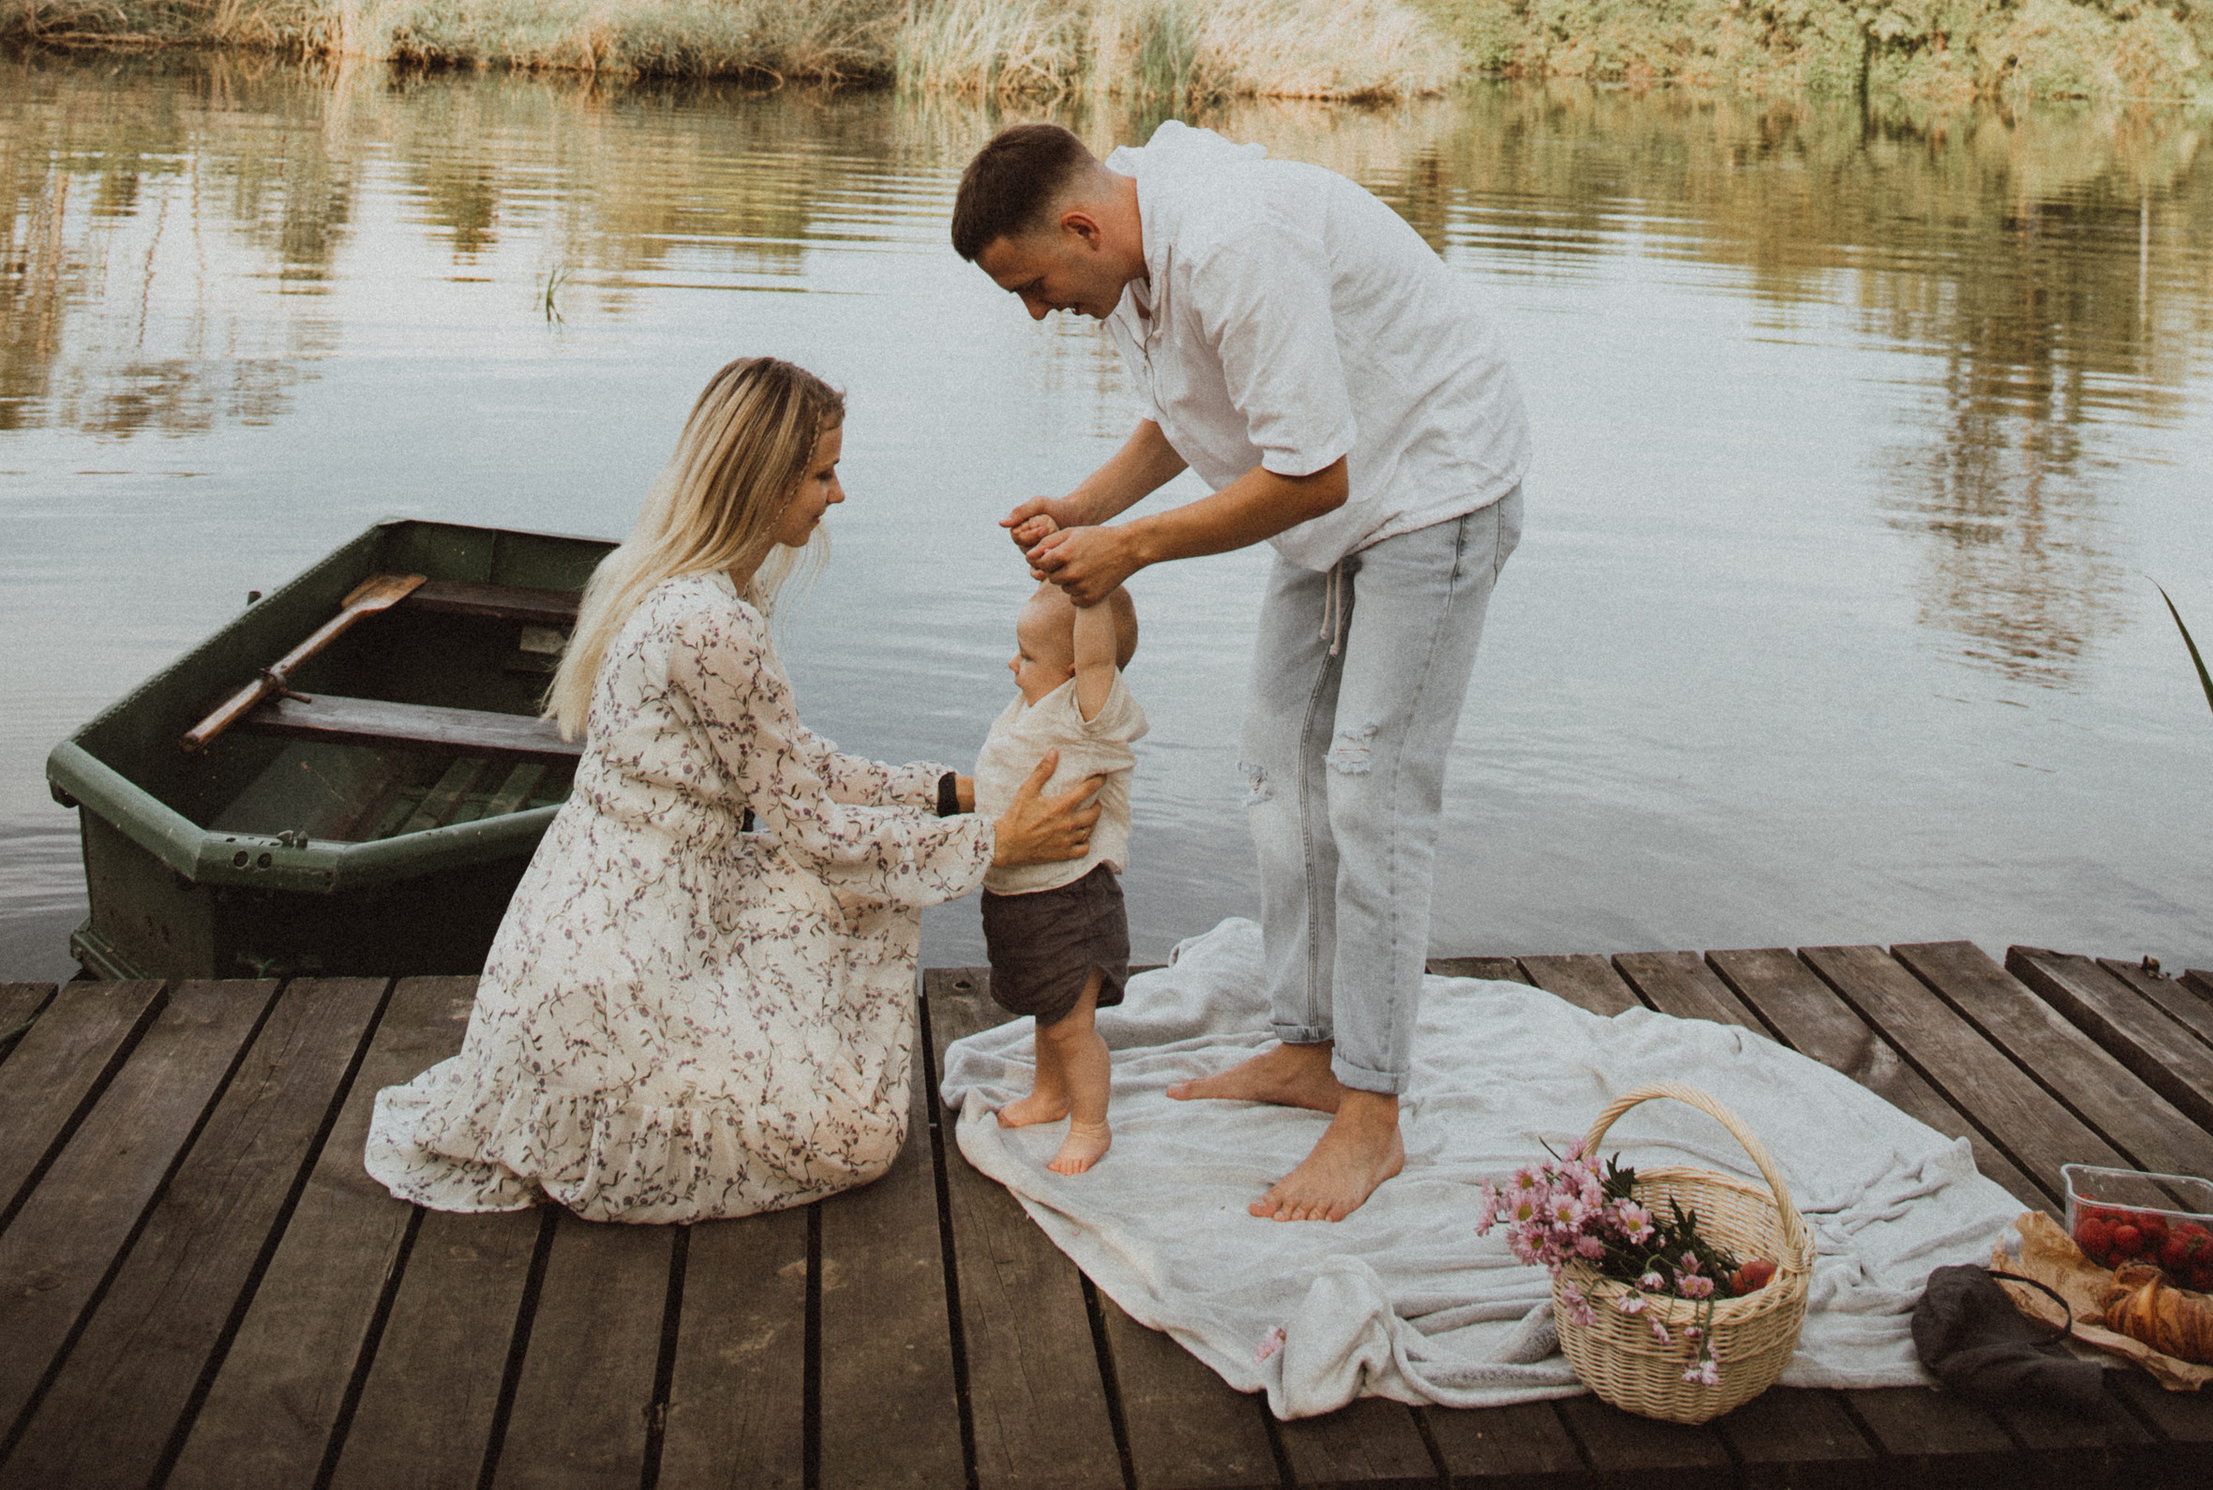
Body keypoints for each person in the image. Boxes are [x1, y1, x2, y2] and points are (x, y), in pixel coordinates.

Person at [365, 354, 1102, 1224]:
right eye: (822, 473)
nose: (837, 495)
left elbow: (795, 766)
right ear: (761, 480)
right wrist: (995, 847)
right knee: (857, 1138)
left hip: (625, 919)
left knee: (829, 906)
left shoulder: (680, 585)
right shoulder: (712, 624)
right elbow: (818, 833)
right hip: (618, 972)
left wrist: (952, 791)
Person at [953, 116, 1529, 1224]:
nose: (1036, 312)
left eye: (1034, 284)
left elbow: (1310, 475)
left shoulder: (1231, 242)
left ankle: (1372, 1112)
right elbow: (1188, 410)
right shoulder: (1128, 250)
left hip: (1431, 485)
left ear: (1080, 223)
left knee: (1369, 788)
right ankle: (1312, 1045)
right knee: (1274, 764)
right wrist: (1086, 506)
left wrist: (1134, 547)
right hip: (1339, 500)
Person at [974, 576, 1145, 1172]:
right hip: (1020, 897)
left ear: (1074, 671)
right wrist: (1061, 577)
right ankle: (1049, 1095)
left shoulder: (1088, 713)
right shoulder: (1035, 708)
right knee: (1051, 1011)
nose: (1012, 664)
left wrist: (1090, 593)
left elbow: (1097, 655)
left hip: (1071, 902)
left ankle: (1092, 1124)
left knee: (1073, 1025)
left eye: (1027, 656)